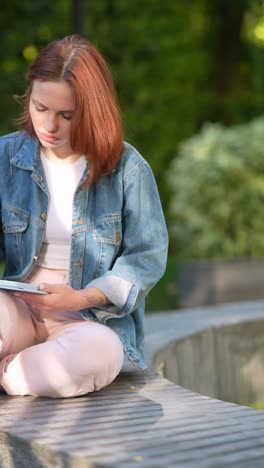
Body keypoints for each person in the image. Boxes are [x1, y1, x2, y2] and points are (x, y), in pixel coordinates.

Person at [0, 34, 168, 398]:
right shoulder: (6, 157)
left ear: (93, 110)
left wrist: (81, 298)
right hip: (16, 308)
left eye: (66, 115)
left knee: (98, 355)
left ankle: (12, 373)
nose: (49, 125)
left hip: (87, 321)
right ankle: (27, 370)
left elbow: (146, 258)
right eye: (40, 107)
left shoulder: (128, 170)